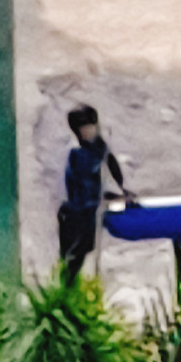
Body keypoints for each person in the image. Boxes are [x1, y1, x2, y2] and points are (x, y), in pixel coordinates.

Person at [59, 105, 133, 281]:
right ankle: (67, 290)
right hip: (77, 214)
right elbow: (84, 190)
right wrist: (114, 196)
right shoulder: (78, 155)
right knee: (75, 258)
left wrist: (122, 189)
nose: (89, 131)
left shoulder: (97, 147)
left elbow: (111, 163)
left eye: (91, 126)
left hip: (88, 212)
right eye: (84, 128)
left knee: (84, 252)